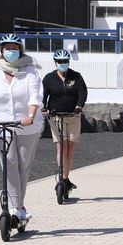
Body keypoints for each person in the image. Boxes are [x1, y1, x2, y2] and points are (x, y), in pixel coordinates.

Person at [0, 34, 43, 224]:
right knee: (9, 163)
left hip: (27, 126)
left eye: (14, 48)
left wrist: (30, 115)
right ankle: (15, 208)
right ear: (1, 51)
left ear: (20, 51)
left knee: (23, 165)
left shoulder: (30, 70)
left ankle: (19, 207)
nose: (10, 52)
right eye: (7, 48)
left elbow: (35, 96)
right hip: (1, 125)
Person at [41, 49, 87, 192]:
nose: (63, 64)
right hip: (56, 116)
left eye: (65, 61)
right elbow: (43, 95)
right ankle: (61, 177)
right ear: (55, 62)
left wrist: (79, 106)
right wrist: (44, 108)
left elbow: (82, 93)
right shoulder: (49, 78)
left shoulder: (76, 77)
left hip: (73, 115)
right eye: (60, 62)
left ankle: (66, 178)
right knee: (62, 147)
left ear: (68, 62)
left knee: (70, 148)